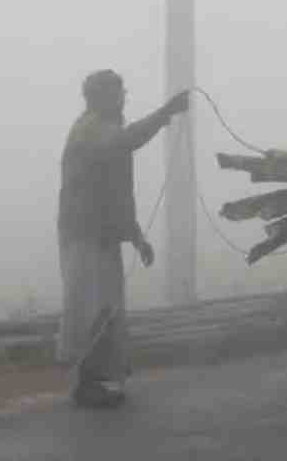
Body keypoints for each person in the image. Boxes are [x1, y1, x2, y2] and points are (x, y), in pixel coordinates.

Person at [56, 71, 189, 408]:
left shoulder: (105, 130)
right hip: (85, 235)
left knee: (105, 308)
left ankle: (97, 381)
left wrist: (137, 238)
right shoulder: (91, 130)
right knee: (90, 309)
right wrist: (164, 114)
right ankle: (86, 383)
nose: (124, 98)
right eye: (118, 93)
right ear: (100, 97)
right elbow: (122, 143)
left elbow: (117, 195)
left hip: (101, 235)